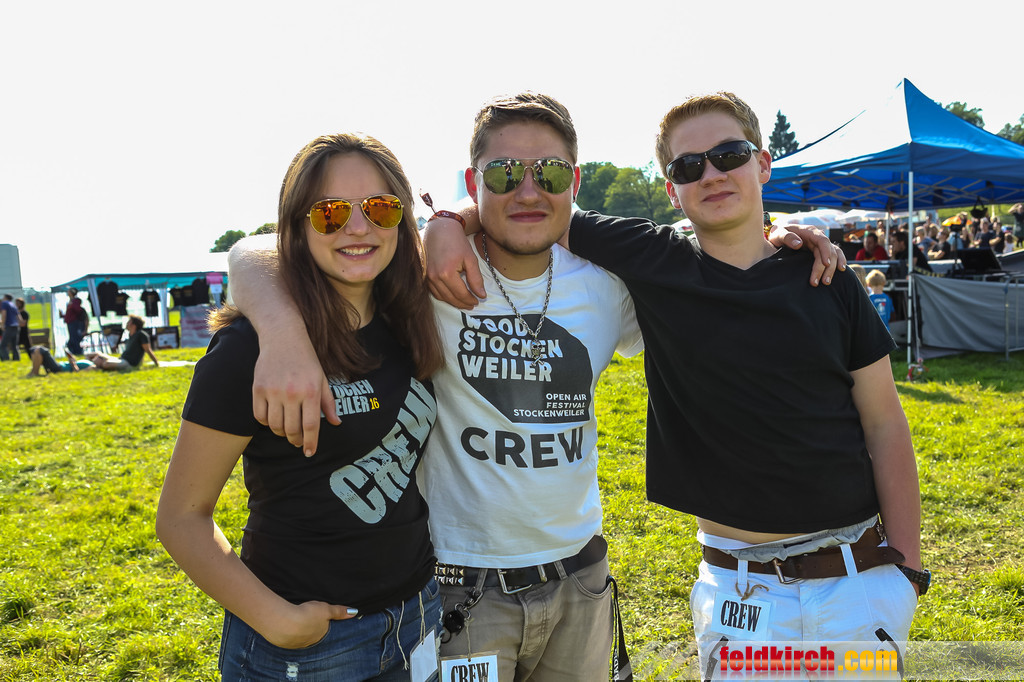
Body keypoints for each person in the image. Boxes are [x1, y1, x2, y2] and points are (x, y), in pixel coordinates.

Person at [227, 93, 846, 681]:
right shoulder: (423, 270)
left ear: (574, 183)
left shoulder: (610, 282)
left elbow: (717, 267)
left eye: (549, 173)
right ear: (472, 182)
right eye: (503, 175)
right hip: (457, 584)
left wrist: (777, 236)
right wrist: (282, 334)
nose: (528, 191)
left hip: (580, 577)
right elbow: (254, 253)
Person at [429, 92, 922, 673]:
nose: (711, 174)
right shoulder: (654, 263)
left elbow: (885, 422)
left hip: (854, 577)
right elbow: (522, 209)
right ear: (672, 189)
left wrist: (907, 568)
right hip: (740, 588)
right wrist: (445, 222)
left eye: (730, 155)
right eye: (689, 167)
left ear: (763, 163)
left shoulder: (827, 277)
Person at [156, 132, 446, 681]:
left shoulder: (410, 321)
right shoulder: (248, 349)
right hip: (308, 647)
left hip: (417, 616)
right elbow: (181, 518)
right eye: (330, 212)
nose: (358, 227)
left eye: (380, 208)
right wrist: (279, 620)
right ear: (297, 226)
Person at [86, 315, 160, 370]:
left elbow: (148, 350)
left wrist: (156, 363)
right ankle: (95, 366)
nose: (126, 324)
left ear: (134, 325)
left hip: (128, 363)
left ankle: (97, 367)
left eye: (128, 322)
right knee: (96, 354)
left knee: (106, 363)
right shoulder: (131, 335)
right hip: (121, 359)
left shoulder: (141, 335)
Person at [25, 345, 95, 376]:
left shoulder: (92, 366)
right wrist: (72, 357)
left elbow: (78, 373)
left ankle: (34, 372)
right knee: (34, 349)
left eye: (99, 358)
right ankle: (33, 372)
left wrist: (73, 363)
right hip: (59, 366)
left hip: (60, 369)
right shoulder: (89, 360)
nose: (97, 357)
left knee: (41, 350)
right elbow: (88, 354)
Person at [61, 288, 87, 355]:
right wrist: (63, 316)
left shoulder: (75, 301)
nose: (67, 292)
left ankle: (78, 352)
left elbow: (78, 310)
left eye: (69, 291)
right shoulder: (70, 301)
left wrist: (72, 305)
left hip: (74, 323)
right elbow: (70, 314)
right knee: (72, 338)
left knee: (75, 338)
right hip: (70, 322)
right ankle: (74, 352)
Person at [0, 294, 21, 361]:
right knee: (14, 345)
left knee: (3, 345)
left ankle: (6, 359)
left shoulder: (4, 303)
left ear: (6, 298)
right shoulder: (13, 304)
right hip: (16, 326)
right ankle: (16, 359)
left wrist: (2, 324)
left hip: (9, 326)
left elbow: (4, 314)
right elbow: (18, 316)